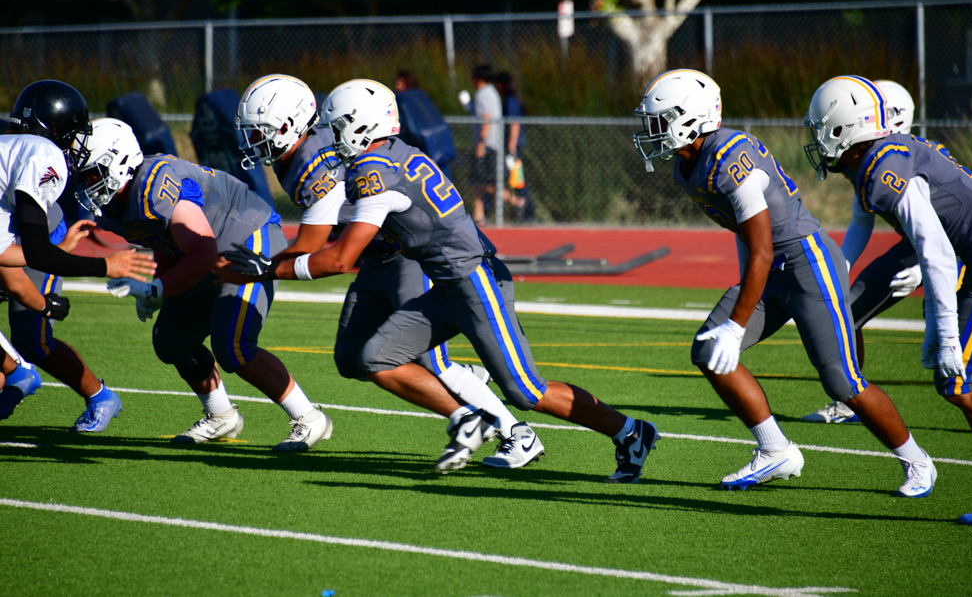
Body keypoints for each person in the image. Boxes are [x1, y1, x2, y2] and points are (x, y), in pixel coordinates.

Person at [220, 78, 658, 483]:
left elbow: (339, 258)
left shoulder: (374, 172)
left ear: (359, 127)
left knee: (525, 390)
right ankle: (468, 415)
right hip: (443, 282)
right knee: (373, 357)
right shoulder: (391, 153)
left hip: (474, 279)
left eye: (335, 129)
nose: (329, 141)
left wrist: (266, 268)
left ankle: (629, 431)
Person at [633, 69, 935, 496]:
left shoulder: (729, 157)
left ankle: (917, 461)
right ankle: (775, 450)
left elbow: (762, 248)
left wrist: (737, 324)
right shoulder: (688, 166)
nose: (651, 130)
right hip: (771, 269)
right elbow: (745, 234)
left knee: (842, 382)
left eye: (659, 120)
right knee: (708, 350)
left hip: (806, 264)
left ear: (690, 118)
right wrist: (741, 297)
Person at [234, 74, 542, 472]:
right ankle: (465, 380)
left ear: (289, 126)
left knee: (430, 362)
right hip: (377, 258)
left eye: (259, 131)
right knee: (351, 358)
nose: (253, 140)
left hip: (407, 254)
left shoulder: (314, 162)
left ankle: (514, 431)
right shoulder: (297, 154)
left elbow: (313, 245)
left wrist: (262, 268)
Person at [805, 74, 972, 524]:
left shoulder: (884, 167)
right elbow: (923, 242)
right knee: (959, 384)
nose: (816, 138)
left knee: (960, 383)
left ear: (844, 127)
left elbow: (936, 251)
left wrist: (944, 333)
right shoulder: (875, 160)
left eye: (821, 127)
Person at [71, 117, 332, 451]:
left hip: (246, 235)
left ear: (118, 162)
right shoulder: (115, 204)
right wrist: (160, 287)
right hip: (205, 249)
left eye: (92, 173)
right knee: (172, 339)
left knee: (234, 344)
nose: (87, 182)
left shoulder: (156, 183)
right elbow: (165, 239)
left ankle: (309, 417)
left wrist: (158, 289)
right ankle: (221, 415)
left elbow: (203, 251)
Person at [0, 81, 156, 432]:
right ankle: (16, 375)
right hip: (25, 238)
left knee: (32, 340)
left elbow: (34, 252)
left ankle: (99, 396)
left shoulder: (38, 151)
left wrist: (96, 266)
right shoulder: (39, 150)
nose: (74, 145)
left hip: (38, 231)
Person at [802, 79, 923, 424]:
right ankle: (849, 401)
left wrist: (926, 267)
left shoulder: (908, 160)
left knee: (962, 349)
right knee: (848, 311)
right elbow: (860, 223)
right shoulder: (869, 162)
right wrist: (839, 269)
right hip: (918, 247)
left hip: (967, 250)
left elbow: (953, 226)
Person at [458, 65, 503, 226]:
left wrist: (481, 143)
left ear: (477, 78)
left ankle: (515, 201)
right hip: (491, 143)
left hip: (487, 145)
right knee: (478, 181)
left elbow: (486, 118)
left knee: (481, 182)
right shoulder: (491, 92)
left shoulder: (483, 93)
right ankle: (479, 215)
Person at [393, 70, 457, 180]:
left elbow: (403, 131)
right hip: (437, 154)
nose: (397, 86)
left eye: (399, 83)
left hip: (420, 155)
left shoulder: (402, 99)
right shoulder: (422, 96)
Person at [493, 71, 535, 223]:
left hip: (514, 147)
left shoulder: (511, 101)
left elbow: (514, 125)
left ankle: (529, 211)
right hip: (514, 146)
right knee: (516, 179)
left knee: (518, 179)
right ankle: (524, 210)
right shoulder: (511, 99)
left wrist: (511, 149)